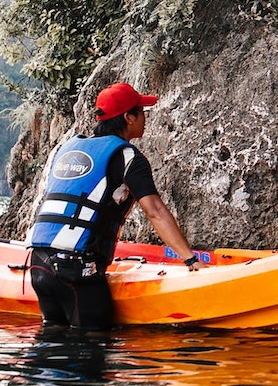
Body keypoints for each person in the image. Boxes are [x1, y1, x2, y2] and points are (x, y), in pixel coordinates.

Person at [26, 82, 204, 331]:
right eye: (141, 112)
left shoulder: (67, 149)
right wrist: (190, 259)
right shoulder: (127, 157)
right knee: (91, 349)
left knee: (54, 344)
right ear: (128, 117)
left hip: (38, 265)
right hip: (77, 269)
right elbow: (155, 211)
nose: (145, 118)